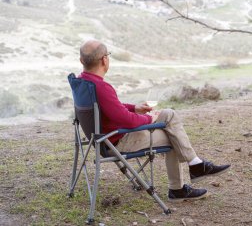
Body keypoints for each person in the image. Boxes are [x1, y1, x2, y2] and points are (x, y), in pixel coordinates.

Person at [78, 40, 230, 202]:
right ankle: (180, 186)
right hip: (117, 142)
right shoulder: (102, 87)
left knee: (168, 114)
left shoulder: (83, 82)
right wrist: (150, 118)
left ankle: (196, 165)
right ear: (104, 60)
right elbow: (128, 121)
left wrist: (134, 107)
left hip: (102, 140)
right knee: (174, 136)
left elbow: (111, 107)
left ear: (82, 61)